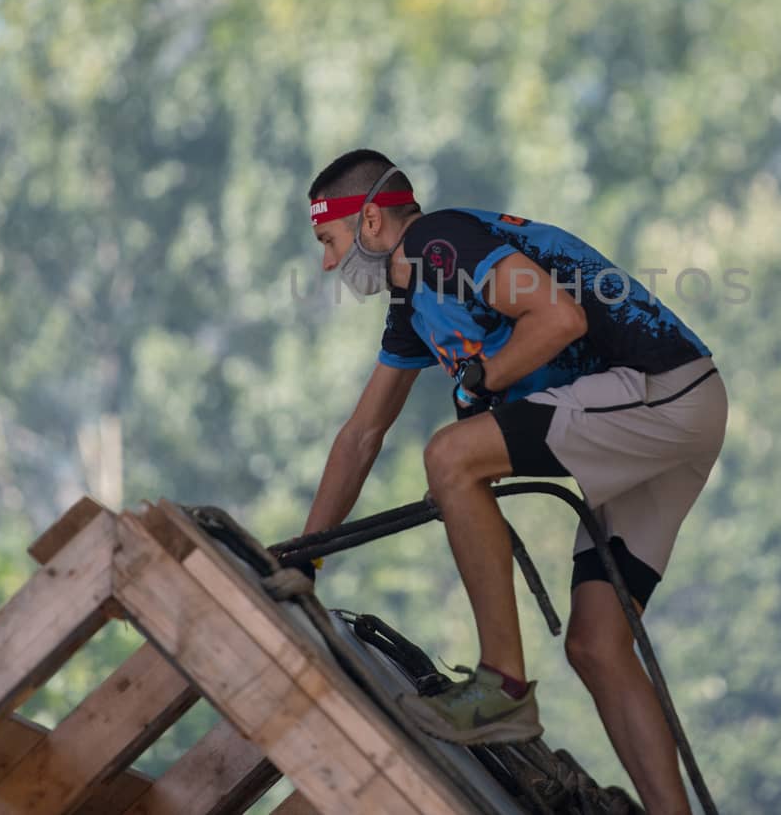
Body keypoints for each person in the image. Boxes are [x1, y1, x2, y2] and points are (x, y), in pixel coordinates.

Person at [295, 149, 727, 815]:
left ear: (372, 221)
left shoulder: (439, 244)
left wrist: (480, 381)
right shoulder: (415, 303)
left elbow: (561, 319)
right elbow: (361, 436)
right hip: (677, 412)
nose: (328, 263)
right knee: (596, 643)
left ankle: (503, 691)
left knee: (449, 456)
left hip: (662, 392)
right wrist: (306, 559)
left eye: (328, 240)